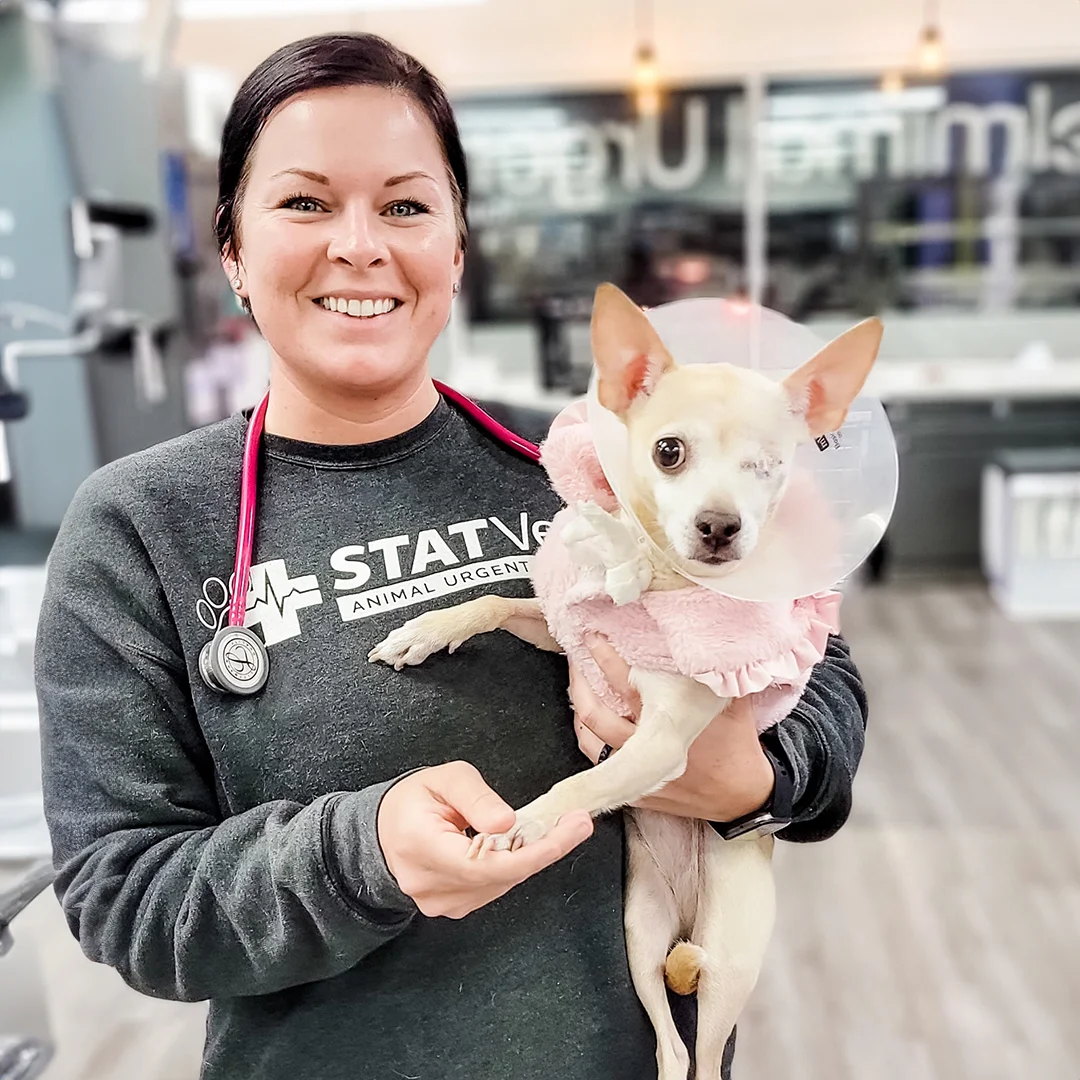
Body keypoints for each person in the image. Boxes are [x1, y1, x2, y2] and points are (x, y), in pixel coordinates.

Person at [35, 33, 869, 1080]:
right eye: (303, 203)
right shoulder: (141, 528)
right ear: (233, 249)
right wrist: (358, 855)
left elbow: (818, 671)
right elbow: (124, 899)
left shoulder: (591, 456)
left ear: (459, 247)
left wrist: (755, 773)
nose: (360, 245)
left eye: (405, 205)